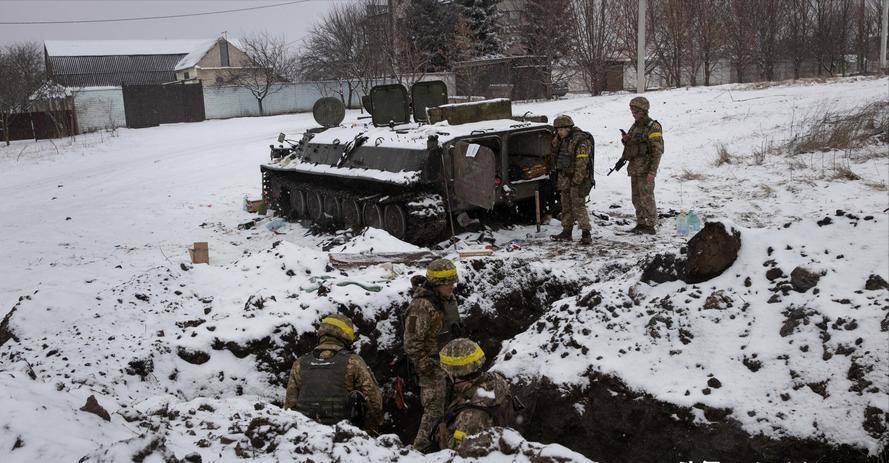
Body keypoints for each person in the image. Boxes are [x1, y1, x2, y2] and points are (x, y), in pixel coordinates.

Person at [284, 314, 382, 432]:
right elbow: (374, 402)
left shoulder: (299, 363)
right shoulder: (353, 361)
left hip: (306, 434)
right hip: (345, 435)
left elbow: (289, 406)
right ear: (345, 335)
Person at [403, 258, 463, 451]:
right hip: (432, 367)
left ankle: (446, 447)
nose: (452, 287)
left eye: (453, 283)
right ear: (437, 285)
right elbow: (412, 343)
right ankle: (418, 451)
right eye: (448, 284)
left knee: (453, 409)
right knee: (434, 413)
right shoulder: (421, 306)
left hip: (450, 364)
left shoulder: (445, 300)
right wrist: (426, 367)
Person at [435, 338, 511, 451]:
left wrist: (442, 434)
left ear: (456, 374)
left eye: (448, 374)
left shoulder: (469, 416)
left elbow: (459, 454)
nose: (448, 377)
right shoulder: (496, 380)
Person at [619, 96, 664, 234]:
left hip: (646, 169)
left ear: (644, 111)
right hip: (635, 168)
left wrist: (652, 172)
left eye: (636, 111)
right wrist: (626, 140)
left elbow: (657, 151)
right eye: (632, 111)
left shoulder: (653, 127)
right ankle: (641, 222)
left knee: (647, 197)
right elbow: (633, 145)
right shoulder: (635, 126)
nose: (634, 114)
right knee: (636, 198)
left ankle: (650, 224)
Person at [549, 115, 595, 245]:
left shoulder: (581, 141)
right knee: (566, 206)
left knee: (578, 207)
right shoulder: (562, 140)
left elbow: (582, 163)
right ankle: (566, 231)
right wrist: (557, 138)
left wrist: (577, 181)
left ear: (568, 128)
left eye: (561, 130)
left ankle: (586, 233)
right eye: (558, 130)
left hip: (577, 179)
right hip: (564, 178)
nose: (559, 132)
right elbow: (554, 151)